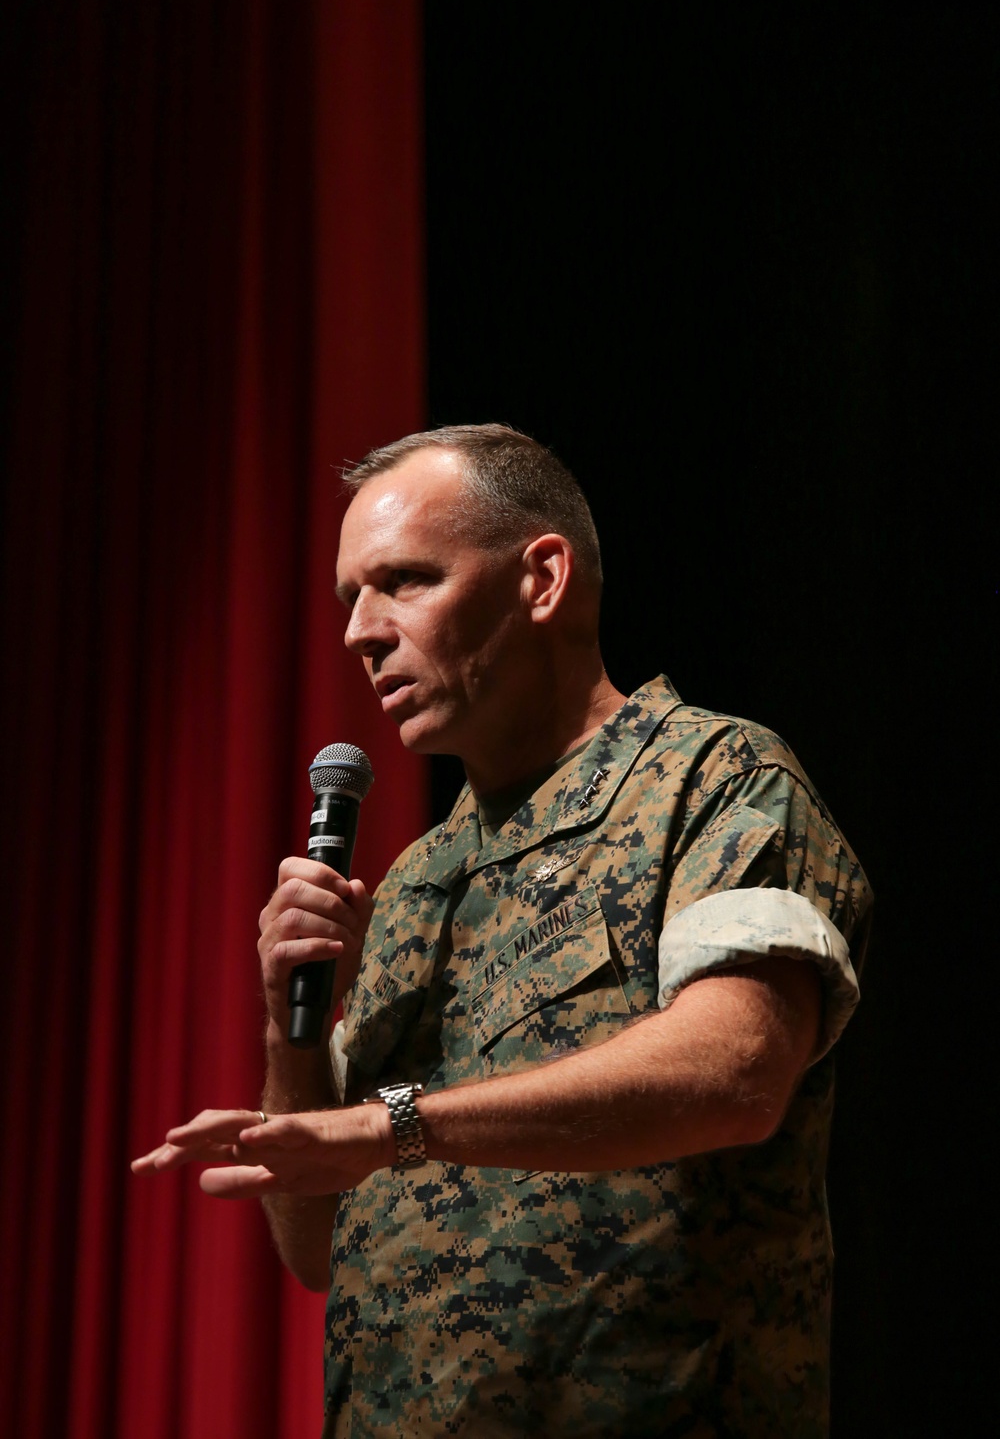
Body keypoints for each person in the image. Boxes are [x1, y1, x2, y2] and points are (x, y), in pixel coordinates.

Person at [133, 424, 872, 1438]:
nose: (360, 631)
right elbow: (319, 1245)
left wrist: (389, 1124)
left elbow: (733, 1073)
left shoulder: (715, 780)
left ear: (542, 578)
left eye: (402, 581)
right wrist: (290, 1036)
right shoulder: (409, 885)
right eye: (349, 598)